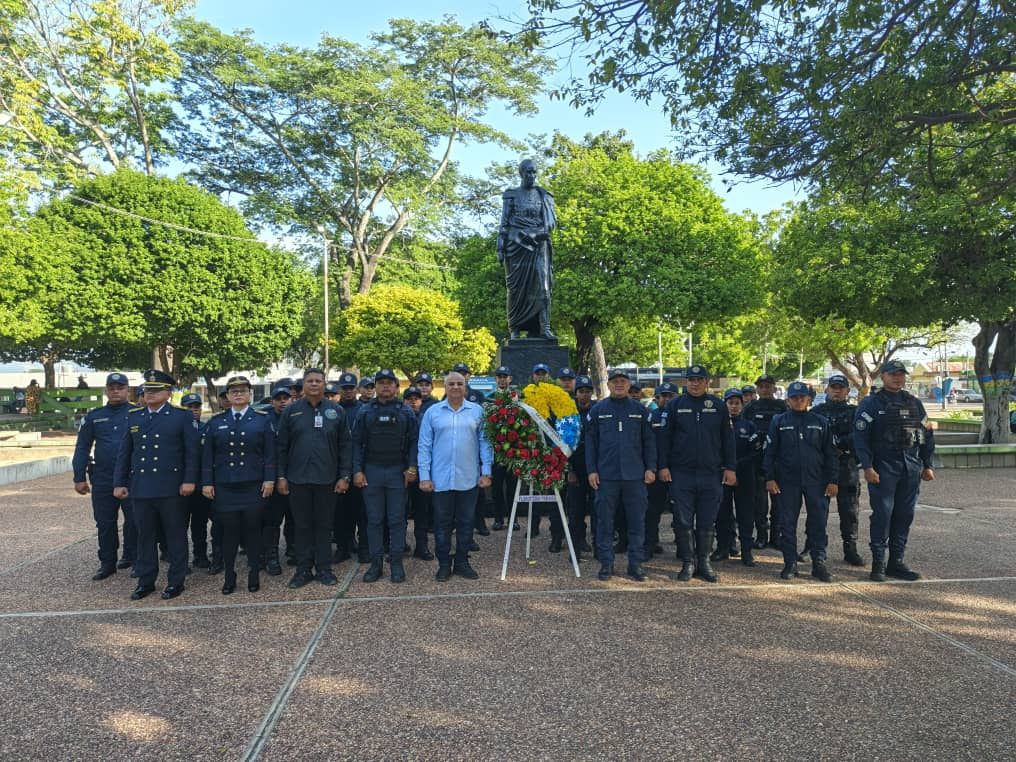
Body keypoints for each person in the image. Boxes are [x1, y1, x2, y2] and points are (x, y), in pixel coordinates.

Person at [113, 369, 200, 600]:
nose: (149, 393)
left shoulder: (181, 417)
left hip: (171, 487)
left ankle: (176, 581)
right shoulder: (135, 417)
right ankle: (146, 580)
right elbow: (125, 453)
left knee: (175, 535)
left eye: (155, 390)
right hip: (141, 487)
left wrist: (189, 480)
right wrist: (120, 482)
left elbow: (192, 453)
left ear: (168, 393)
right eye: (147, 389)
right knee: (145, 536)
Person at [853, 360, 935, 581]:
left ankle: (896, 562)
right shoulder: (871, 403)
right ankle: (878, 563)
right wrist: (867, 467)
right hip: (883, 467)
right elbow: (860, 438)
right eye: (893, 374)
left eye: (901, 374)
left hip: (910, 467)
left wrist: (928, 464)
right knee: (883, 515)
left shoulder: (915, 403)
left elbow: (926, 434)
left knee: (904, 515)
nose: (897, 378)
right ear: (883, 376)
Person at [658, 365, 737, 583]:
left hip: (710, 473)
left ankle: (704, 562)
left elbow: (727, 440)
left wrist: (730, 467)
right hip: (681, 473)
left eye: (699, 379)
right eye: (691, 379)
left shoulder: (718, 406)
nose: (695, 383)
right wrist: (663, 466)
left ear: (706, 382)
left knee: (707, 520)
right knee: (683, 521)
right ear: (686, 382)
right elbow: (664, 439)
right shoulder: (675, 405)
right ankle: (688, 562)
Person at [275, 369, 352, 589]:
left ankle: (324, 569)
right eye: (310, 381)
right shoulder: (291, 412)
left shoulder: (336, 411)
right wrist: (281, 476)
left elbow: (346, 446)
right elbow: (281, 448)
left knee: (324, 526)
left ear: (324, 384)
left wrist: (344, 475)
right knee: (302, 526)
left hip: (327, 480)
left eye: (318, 381)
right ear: (303, 385)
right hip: (297, 479)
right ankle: (303, 570)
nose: (314, 384)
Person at [201, 376, 275, 594]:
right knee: (229, 532)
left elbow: (270, 453)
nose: (239, 394)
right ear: (228, 396)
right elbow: (207, 456)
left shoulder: (262, 419)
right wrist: (207, 483)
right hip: (225, 486)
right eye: (234, 392)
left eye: (243, 391)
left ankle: (253, 572)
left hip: (253, 485)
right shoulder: (216, 421)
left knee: (253, 530)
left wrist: (269, 479)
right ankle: (229, 574)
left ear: (250, 394)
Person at [417, 371, 493, 581]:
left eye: (460, 383)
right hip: (440, 479)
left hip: (468, 477)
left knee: (466, 521)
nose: (456, 387)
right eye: (451, 384)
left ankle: (462, 562)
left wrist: (486, 471)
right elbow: (424, 446)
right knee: (442, 524)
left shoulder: (477, 411)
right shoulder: (433, 413)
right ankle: (443, 563)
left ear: (465, 387)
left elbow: (486, 443)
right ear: (445, 386)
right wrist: (424, 476)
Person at [585, 368, 656, 582]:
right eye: (615, 381)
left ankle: (635, 565)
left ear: (629, 385)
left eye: (623, 381)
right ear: (608, 385)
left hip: (635, 476)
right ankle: (606, 563)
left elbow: (649, 442)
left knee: (637, 521)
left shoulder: (640, 410)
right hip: (607, 476)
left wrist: (651, 467)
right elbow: (590, 443)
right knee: (605, 522)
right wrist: (592, 470)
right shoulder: (598, 409)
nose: (619, 384)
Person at [764, 381, 839, 582]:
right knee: (787, 524)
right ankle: (790, 564)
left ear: (809, 399)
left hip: (817, 481)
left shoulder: (820, 421)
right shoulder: (778, 421)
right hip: (787, 482)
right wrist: (770, 478)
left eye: (802, 398)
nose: (798, 401)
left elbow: (830, 454)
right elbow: (769, 452)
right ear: (788, 399)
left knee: (818, 524)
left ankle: (819, 564)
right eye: (794, 398)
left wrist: (832, 480)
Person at [352, 369, 419, 584]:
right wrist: (357, 470)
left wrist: (412, 467)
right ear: (375, 387)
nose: (385, 386)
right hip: (372, 470)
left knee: (397, 520)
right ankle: (376, 564)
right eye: (381, 383)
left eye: (390, 383)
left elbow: (414, 443)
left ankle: (397, 563)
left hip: (397, 471)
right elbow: (355, 443)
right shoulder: (365, 411)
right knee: (374, 520)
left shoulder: (406, 412)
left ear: (397, 387)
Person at [72, 372, 136, 581]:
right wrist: (78, 476)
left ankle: (133, 558)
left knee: (135, 521)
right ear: (106, 390)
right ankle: (107, 563)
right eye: (112, 388)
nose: (116, 391)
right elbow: (82, 447)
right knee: (105, 523)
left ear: (128, 390)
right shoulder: (94, 416)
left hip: (132, 477)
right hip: (103, 477)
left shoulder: (139, 413)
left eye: (120, 387)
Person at [496, 158, 558, 340]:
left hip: (539, 245)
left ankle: (544, 327)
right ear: (521, 173)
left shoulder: (544, 196)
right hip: (515, 246)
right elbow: (504, 223)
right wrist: (500, 245)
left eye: (534, 172)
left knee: (543, 287)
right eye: (528, 172)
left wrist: (534, 234)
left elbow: (550, 224)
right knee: (515, 290)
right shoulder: (511, 195)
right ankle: (515, 328)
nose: (531, 175)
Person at [811, 374, 865, 566]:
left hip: (846, 465)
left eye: (840, 388)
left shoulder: (855, 412)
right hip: (821, 467)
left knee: (849, 510)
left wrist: (840, 444)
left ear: (847, 391)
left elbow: (859, 433)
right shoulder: (816, 411)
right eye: (833, 387)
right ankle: (813, 547)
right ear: (827, 389)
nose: (836, 390)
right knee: (817, 510)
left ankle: (850, 549)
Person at [713, 388, 761, 567]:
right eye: (730, 403)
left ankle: (747, 551)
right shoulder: (718, 425)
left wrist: (736, 467)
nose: (733, 407)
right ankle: (723, 547)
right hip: (722, 475)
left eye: (737, 403)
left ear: (742, 405)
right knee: (722, 513)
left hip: (745, 476)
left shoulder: (749, 426)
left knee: (745, 514)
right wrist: (726, 468)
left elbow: (756, 452)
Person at [742, 374, 788, 548]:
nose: (764, 389)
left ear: (774, 388)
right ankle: (761, 535)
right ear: (757, 389)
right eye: (761, 387)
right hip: (758, 461)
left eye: (768, 386)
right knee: (759, 502)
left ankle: (776, 537)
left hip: (779, 461)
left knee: (778, 502)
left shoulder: (782, 406)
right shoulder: (751, 408)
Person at [335, 372, 366, 563]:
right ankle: (342, 547)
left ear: (356, 389)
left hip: (360, 467)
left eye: (351, 388)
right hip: (338, 468)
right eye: (344, 388)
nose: (348, 392)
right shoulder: (333, 410)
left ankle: (364, 547)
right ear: (340, 389)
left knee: (362, 511)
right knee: (340, 513)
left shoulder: (364, 409)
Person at [644, 381, 678, 559]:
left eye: (671, 395)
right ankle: (650, 543)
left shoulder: (682, 415)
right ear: (657, 399)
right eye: (664, 396)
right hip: (656, 469)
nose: (667, 399)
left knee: (680, 510)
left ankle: (683, 546)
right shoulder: (651, 416)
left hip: (678, 469)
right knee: (652, 510)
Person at [263, 386, 293, 576]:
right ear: (272, 401)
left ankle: (294, 549)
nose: (282, 401)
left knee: (295, 518)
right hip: (272, 477)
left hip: (295, 475)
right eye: (278, 399)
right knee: (272, 520)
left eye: (286, 398)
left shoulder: (297, 416)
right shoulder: (265, 419)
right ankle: (271, 555)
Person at [566, 375, 596, 559]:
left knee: (597, 510)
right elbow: (562, 443)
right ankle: (575, 547)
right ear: (576, 393)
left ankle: (597, 545)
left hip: (594, 469)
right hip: (575, 468)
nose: (584, 395)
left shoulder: (598, 410)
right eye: (581, 392)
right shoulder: (568, 413)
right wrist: (568, 469)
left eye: (587, 391)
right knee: (576, 512)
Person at [403, 386, 434, 560]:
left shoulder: (427, 419)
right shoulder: (398, 416)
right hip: (402, 472)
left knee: (422, 512)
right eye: (409, 398)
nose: (413, 401)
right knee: (399, 512)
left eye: (416, 398)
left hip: (423, 472)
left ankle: (421, 546)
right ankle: (399, 545)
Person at [488, 366, 517, 532]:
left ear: (510, 379)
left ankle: (513, 519)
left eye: (505, 377)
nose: (502, 380)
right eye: (499, 376)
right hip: (497, 452)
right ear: (495, 379)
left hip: (514, 450)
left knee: (513, 488)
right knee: (497, 488)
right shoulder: (490, 399)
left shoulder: (516, 398)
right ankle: (498, 519)